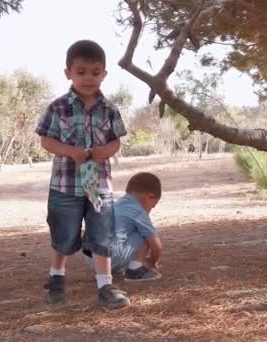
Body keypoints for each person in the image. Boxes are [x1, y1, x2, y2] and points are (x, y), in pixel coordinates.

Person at [34, 40, 130, 309]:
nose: (89, 78)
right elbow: (46, 141)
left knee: (102, 235)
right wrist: (70, 151)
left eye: (95, 72)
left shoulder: (110, 109)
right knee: (63, 235)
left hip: (99, 187)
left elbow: (116, 141)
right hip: (65, 186)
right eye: (81, 71)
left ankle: (105, 285)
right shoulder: (57, 107)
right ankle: (56, 276)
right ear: (68, 73)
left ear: (104, 74)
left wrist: (105, 151)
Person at [84, 172, 163, 282]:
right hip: (111, 257)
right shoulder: (138, 212)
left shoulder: (116, 204)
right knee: (147, 233)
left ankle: (106, 270)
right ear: (149, 197)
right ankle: (135, 269)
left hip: (93, 258)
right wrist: (152, 262)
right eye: (152, 206)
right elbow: (157, 246)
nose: (150, 210)